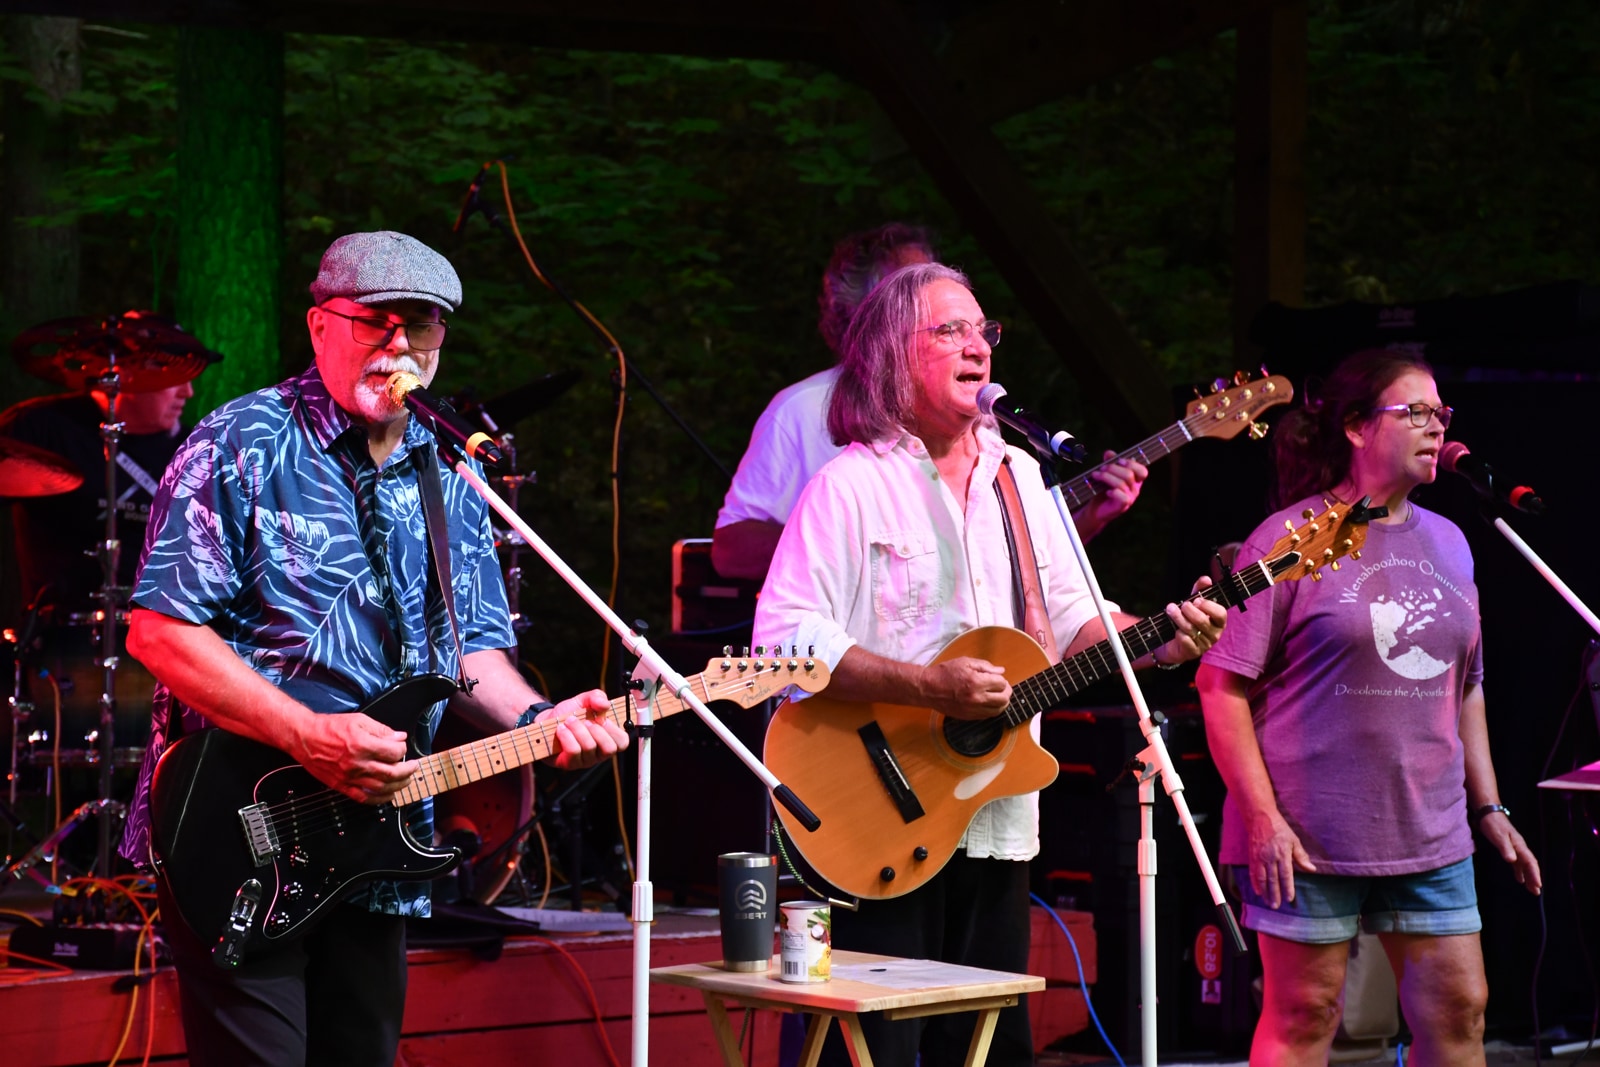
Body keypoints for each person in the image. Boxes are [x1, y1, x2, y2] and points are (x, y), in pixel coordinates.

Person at [120, 231, 630, 1067]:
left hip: (383, 841)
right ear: (320, 325)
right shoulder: (240, 442)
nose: (398, 345)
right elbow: (160, 631)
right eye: (374, 321)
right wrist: (306, 733)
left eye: (420, 325)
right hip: (240, 827)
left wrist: (541, 718)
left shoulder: (450, 473)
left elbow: (470, 656)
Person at [753, 261, 1227, 1067]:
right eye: (951, 330)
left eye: (985, 330)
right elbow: (783, 638)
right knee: (872, 1051)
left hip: (994, 812)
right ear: (892, 353)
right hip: (874, 811)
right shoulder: (850, 485)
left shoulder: (1023, 479)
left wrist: (1161, 638)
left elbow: (1076, 620)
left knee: (987, 1048)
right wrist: (925, 685)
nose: (979, 346)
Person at [1194, 349, 1541, 1067]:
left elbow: (1465, 685)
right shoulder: (1287, 539)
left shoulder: (1451, 542)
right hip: (1308, 835)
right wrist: (1261, 818)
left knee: (1460, 1011)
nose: (1436, 427)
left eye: (1441, 413)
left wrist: (1489, 807)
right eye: (1415, 412)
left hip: (1429, 831)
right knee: (1306, 1014)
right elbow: (1219, 685)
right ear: (1356, 428)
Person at [711, 223, 1146, 582]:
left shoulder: (981, 427)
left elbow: (1016, 579)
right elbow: (730, 550)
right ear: (868, 314)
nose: (930, 292)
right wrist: (848, 545)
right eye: (907, 290)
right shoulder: (801, 412)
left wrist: (1090, 518)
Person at [0, 327, 202, 611]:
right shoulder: (38, 427)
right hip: (61, 627)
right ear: (123, 371)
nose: (187, 391)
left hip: (166, 626)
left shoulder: (195, 451)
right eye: (173, 375)